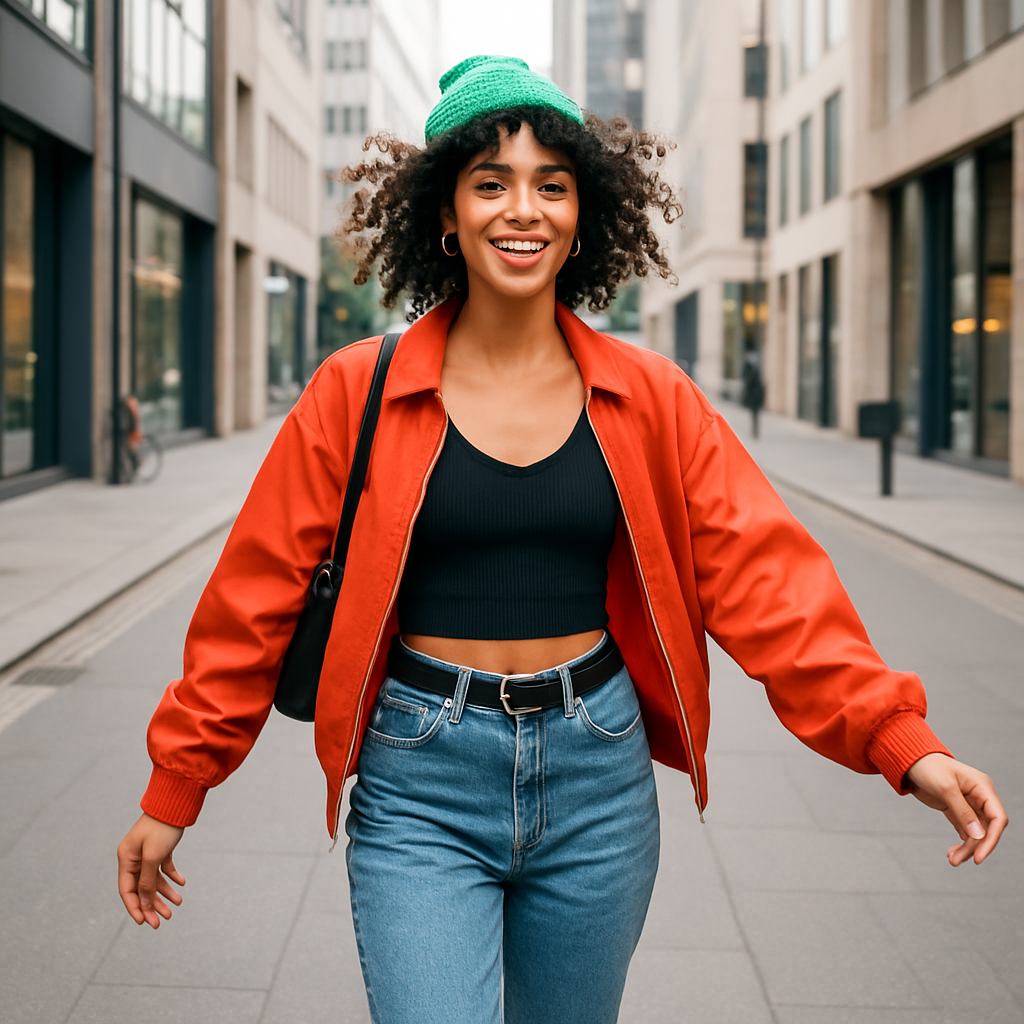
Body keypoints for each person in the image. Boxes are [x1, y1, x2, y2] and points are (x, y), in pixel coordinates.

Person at [116, 57, 1007, 1024]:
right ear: (445, 214)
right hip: (421, 776)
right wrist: (177, 785)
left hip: (598, 774)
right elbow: (252, 600)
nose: (523, 210)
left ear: (584, 212)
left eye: (552, 184)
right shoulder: (354, 390)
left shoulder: (651, 397)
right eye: (491, 183)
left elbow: (770, 578)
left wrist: (895, 738)